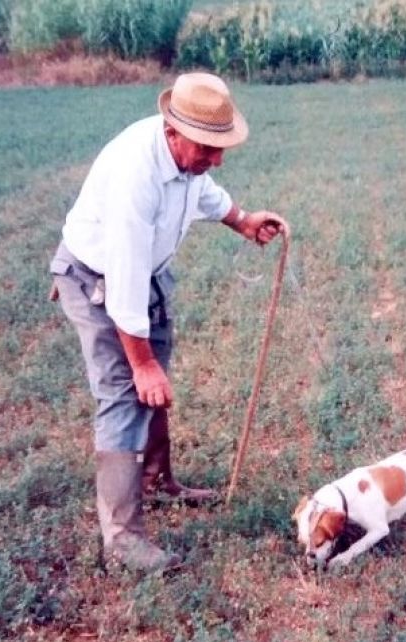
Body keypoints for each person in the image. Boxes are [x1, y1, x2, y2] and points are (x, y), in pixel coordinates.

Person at [50, 72, 287, 573]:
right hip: (97, 279)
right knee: (124, 391)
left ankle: (157, 481)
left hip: (140, 276)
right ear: (173, 130)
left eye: (221, 147)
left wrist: (241, 219)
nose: (216, 158)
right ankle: (121, 540)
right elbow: (124, 281)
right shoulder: (135, 175)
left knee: (152, 384)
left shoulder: (184, 156)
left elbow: (202, 190)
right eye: (209, 148)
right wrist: (140, 362)